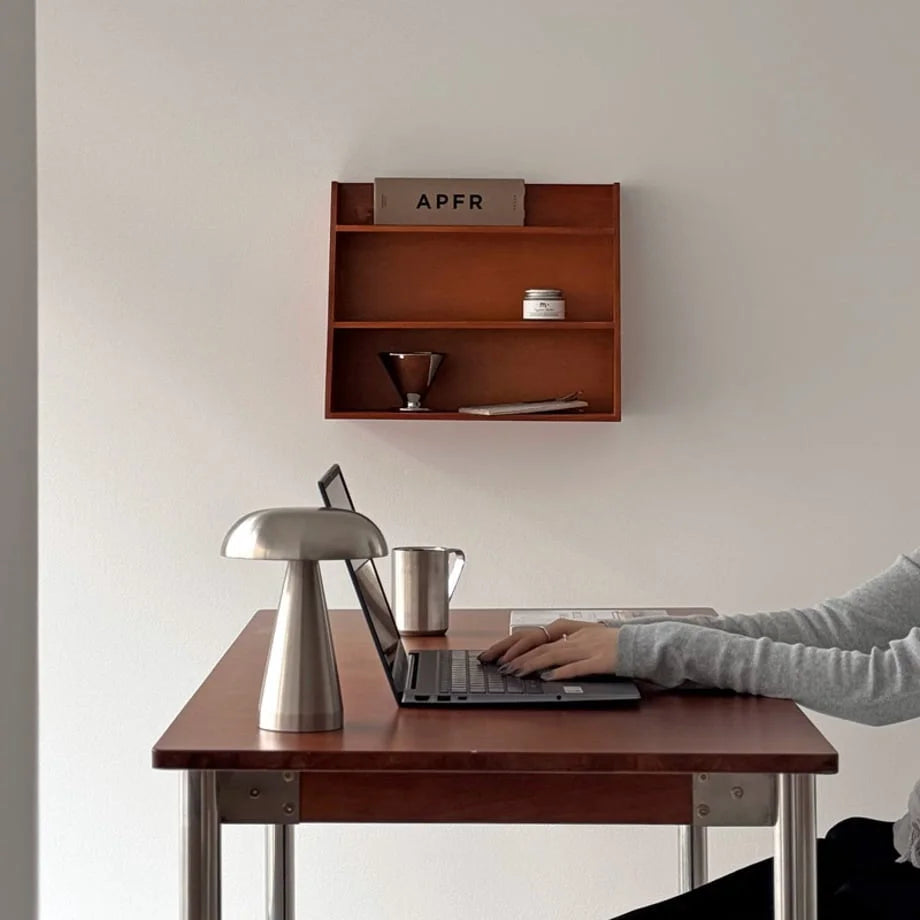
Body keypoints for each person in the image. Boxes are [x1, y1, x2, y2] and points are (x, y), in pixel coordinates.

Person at [480, 549, 920, 920]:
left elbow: (883, 686)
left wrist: (661, 649)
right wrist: (627, 641)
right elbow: (839, 628)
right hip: (894, 849)